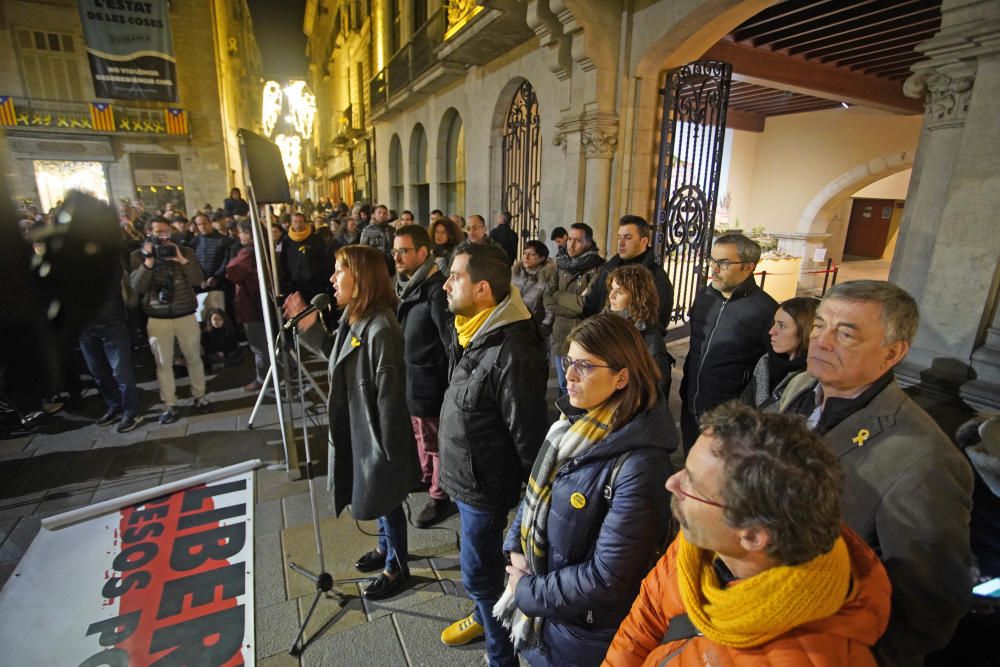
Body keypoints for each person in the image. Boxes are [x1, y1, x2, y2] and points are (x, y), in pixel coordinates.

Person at [604, 401, 892, 666]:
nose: (671, 483)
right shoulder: (700, 543)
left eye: (692, 484)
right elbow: (643, 625)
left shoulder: (812, 657)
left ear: (753, 536)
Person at [776, 280, 973, 666]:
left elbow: (926, 610)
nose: (822, 341)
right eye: (819, 326)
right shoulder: (801, 385)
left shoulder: (924, 460)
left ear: (893, 353)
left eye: (845, 334)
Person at [497, 314, 677, 666]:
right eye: (568, 362)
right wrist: (514, 546)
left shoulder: (640, 465)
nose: (569, 375)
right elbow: (539, 493)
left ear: (622, 377)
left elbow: (606, 577)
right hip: (551, 615)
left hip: (583, 634)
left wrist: (526, 591)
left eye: (585, 366)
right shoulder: (573, 423)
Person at [285, 245, 419, 601]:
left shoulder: (382, 328)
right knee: (374, 497)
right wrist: (310, 327)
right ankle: (383, 548)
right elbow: (336, 355)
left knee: (386, 498)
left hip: (375, 433)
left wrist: (388, 455)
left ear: (360, 278)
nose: (332, 279)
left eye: (339, 270)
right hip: (358, 427)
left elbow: (390, 399)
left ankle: (397, 567)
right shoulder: (354, 316)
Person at [438, 244, 549, 665]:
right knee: (478, 571)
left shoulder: (512, 350)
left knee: (480, 574)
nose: (447, 284)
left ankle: (500, 656)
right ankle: (485, 615)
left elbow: (528, 439)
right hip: (467, 478)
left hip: (485, 488)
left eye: (456, 277)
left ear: (483, 288)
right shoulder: (474, 327)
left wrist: (529, 505)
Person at [679, 233, 777, 451]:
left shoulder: (765, 311)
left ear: (748, 267)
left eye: (723, 263)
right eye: (712, 260)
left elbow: (769, 371)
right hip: (691, 405)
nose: (714, 268)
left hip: (728, 417)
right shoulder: (705, 296)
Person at [392, 225, 453, 528]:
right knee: (419, 434)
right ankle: (426, 477)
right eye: (395, 251)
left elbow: (450, 344)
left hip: (432, 384)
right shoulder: (407, 285)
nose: (397, 257)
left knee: (436, 442)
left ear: (423, 252)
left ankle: (441, 496)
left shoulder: (437, 291)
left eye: (404, 251)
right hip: (412, 380)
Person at [130, 217, 212, 424]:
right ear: (149, 233)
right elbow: (137, 288)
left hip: (185, 314)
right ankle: (170, 404)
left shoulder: (185, 251)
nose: (163, 236)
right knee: (163, 364)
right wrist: (148, 262)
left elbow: (197, 280)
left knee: (194, 357)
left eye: (167, 231)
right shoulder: (138, 255)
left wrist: (181, 260)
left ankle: (200, 397)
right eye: (158, 232)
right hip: (158, 318)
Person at [78, 259, 143, 433]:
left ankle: (131, 411)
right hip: (84, 327)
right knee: (98, 371)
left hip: (110, 323)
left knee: (120, 371)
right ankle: (114, 405)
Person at [543, 222, 604, 397]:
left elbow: (588, 305)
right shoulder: (560, 264)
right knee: (563, 385)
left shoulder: (598, 269)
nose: (571, 244)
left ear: (588, 242)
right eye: (569, 239)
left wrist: (559, 297)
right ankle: (564, 422)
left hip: (583, 336)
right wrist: (574, 306)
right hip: (560, 334)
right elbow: (547, 298)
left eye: (577, 240)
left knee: (580, 387)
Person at [583, 216, 673, 330]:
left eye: (628, 238)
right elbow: (591, 305)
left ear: (644, 241)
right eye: (619, 237)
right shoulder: (607, 269)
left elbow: (658, 323)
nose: (621, 243)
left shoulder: (657, 278)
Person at [605, 265, 673, 399]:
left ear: (636, 298)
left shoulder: (649, 336)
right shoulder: (604, 321)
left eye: (619, 291)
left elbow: (659, 384)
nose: (611, 295)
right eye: (612, 288)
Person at [741, 296, 819, 410]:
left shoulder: (813, 378)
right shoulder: (765, 362)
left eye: (781, 325)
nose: (771, 331)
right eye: (774, 323)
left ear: (805, 331)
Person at [225, 219, 269, 392]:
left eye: (242, 232)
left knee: (259, 344)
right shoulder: (264, 249)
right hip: (260, 302)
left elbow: (232, 272)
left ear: (250, 234)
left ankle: (264, 378)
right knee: (267, 342)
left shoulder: (247, 253)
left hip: (252, 304)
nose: (239, 235)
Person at [279, 212, 331, 302]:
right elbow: (283, 262)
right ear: (291, 223)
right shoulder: (286, 240)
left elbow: (323, 259)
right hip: (294, 285)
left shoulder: (315, 239)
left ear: (305, 223)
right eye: (295, 222)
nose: (298, 225)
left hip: (313, 285)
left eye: (300, 222)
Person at [190, 212, 234, 317]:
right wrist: (200, 279)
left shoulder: (224, 241)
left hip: (221, 283)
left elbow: (226, 260)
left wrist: (216, 277)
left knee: (222, 314)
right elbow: (193, 262)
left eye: (204, 223)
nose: (202, 227)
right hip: (201, 285)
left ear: (210, 223)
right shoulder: (194, 242)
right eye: (199, 224)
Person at [511, 240, 556, 334]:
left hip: (533, 328)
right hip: (511, 323)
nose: (526, 257)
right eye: (524, 253)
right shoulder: (515, 274)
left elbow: (550, 307)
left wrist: (545, 326)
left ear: (541, 258)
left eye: (532, 254)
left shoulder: (546, 279)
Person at [359, 204, 396, 272]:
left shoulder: (392, 230)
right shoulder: (367, 230)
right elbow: (363, 249)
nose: (382, 215)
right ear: (374, 215)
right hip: (373, 265)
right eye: (379, 213)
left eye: (384, 213)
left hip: (390, 265)